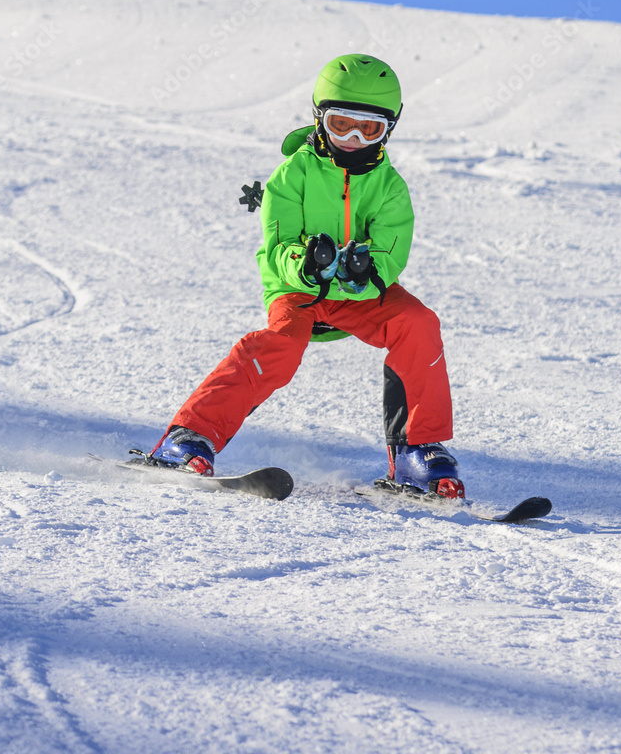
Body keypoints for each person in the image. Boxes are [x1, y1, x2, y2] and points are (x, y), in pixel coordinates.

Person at [146, 53, 463, 498]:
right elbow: (276, 249)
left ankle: (417, 450)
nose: (353, 139)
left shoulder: (390, 187)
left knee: (417, 323)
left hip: (360, 295)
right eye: (341, 124)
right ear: (319, 117)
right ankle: (189, 436)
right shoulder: (290, 176)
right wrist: (305, 263)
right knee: (279, 346)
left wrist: (365, 270)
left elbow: (392, 249)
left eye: (368, 128)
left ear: (389, 129)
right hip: (298, 291)